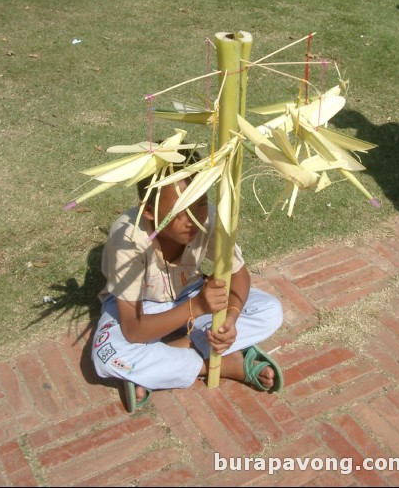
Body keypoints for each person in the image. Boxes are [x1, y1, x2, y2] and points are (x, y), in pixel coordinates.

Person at [91, 151, 284, 410]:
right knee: (108, 355)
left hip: (191, 293)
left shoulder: (210, 220)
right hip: (140, 306)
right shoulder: (127, 239)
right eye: (180, 211)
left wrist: (231, 320)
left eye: (201, 203)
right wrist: (198, 308)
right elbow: (133, 330)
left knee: (270, 310)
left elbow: (238, 273)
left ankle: (160, 362)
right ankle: (220, 364)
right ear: (148, 211)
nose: (193, 220)